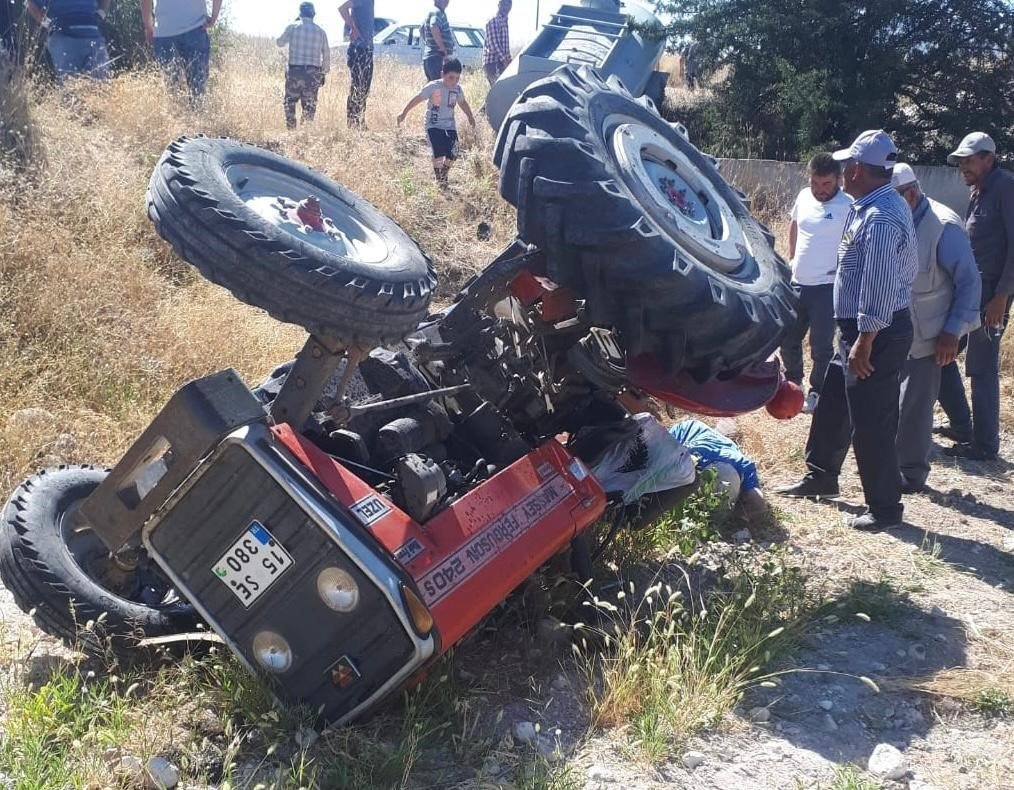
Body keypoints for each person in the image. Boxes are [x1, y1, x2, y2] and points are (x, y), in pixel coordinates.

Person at [777, 130, 918, 531]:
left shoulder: (879, 217)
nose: (839, 173)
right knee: (834, 403)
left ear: (855, 170)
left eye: (843, 167)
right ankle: (821, 474)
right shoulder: (873, 205)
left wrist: (865, 341)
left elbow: (877, 286)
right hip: (857, 330)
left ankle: (885, 508)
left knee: (872, 419)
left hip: (875, 332)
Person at [891, 163, 981, 491]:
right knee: (894, 399)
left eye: (891, 199)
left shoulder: (943, 227)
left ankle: (910, 475)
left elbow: (969, 282)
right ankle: (890, 462)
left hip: (933, 333)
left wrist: (952, 332)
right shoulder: (895, 220)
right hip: (896, 328)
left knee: (914, 406)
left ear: (911, 194)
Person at [934, 132, 1014, 461]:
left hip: (992, 296)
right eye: (961, 161)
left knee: (981, 368)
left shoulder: (1005, 187)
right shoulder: (978, 191)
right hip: (970, 293)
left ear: (988, 159)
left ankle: (984, 445)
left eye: (969, 160)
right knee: (940, 351)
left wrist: (1001, 297)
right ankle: (962, 426)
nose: (963, 166)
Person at [779, 153, 852, 414]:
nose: (820, 190)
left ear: (839, 180)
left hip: (827, 286)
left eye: (827, 185)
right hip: (798, 281)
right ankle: (793, 383)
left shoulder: (848, 206)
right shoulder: (802, 197)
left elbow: (853, 243)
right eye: (815, 184)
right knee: (788, 337)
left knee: (821, 345)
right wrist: (791, 256)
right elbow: (795, 225)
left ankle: (816, 391)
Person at [397, 57, 476, 188]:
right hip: (433, 124)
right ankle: (439, 178)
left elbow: (462, 103)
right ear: (442, 74)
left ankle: (444, 173)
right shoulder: (433, 87)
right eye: (451, 77)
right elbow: (417, 99)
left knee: (454, 152)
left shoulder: (457, 89)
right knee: (438, 151)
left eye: (457, 78)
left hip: (449, 125)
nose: (454, 81)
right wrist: (404, 112)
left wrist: (470, 116)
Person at [669, 419, 767, 518]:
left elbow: (749, 471)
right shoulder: (688, 458)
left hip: (721, 444)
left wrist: (754, 492)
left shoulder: (739, 463)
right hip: (686, 430)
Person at [141, 0, 221, 101]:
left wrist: (148, 26)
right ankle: (197, 115)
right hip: (195, 28)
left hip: (164, 32)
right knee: (198, 93)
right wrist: (214, 17)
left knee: (173, 94)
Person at [26, 0, 111, 80]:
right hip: (64, 38)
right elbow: (30, 3)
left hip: (94, 37)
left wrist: (101, 14)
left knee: (101, 85)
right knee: (70, 87)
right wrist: (48, 24)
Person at [277, 2, 329, 131]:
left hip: (294, 71)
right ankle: (305, 133)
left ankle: (291, 130)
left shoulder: (292, 27)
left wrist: (294, 23)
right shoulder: (321, 32)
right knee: (309, 105)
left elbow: (279, 42)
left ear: (300, 13)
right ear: (314, 14)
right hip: (313, 73)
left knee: (290, 102)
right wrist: (323, 73)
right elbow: (326, 54)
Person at [340, 0, 373, 129]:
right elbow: (342, 8)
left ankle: (359, 120)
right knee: (357, 86)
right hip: (358, 49)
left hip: (367, 49)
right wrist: (353, 27)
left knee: (364, 87)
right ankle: (353, 122)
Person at [421, 0, 453, 81]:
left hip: (431, 58)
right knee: (438, 88)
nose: (447, 2)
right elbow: (434, 26)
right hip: (436, 58)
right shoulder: (437, 12)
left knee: (433, 88)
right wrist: (443, 49)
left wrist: (429, 44)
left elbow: (421, 30)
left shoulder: (432, 12)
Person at [483, 0, 511, 86]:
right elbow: (494, 45)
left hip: (501, 63)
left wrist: (509, 60)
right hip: (493, 62)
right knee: (496, 91)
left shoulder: (504, 21)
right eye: (504, 4)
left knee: (502, 90)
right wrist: (505, 61)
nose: (506, 8)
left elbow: (505, 46)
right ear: (499, 4)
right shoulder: (493, 21)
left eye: (509, 5)